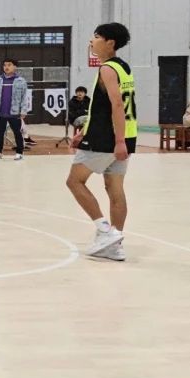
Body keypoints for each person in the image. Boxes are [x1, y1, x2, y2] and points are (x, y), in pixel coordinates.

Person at [66, 22, 136, 262]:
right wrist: (83, 132)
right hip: (124, 135)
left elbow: (117, 105)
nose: (91, 41)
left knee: (74, 181)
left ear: (110, 43)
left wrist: (118, 141)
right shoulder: (123, 67)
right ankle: (115, 245)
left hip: (107, 138)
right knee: (114, 189)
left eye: (96, 37)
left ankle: (105, 231)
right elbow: (103, 107)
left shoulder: (107, 69)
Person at [0, 59, 29, 161]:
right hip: (0, 112)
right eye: (4, 65)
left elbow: (24, 97)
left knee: (17, 132)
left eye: (9, 65)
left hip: (14, 112)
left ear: (15, 67)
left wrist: (23, 110)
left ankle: (19, 152)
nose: (6, 67)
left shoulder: (21, 81)